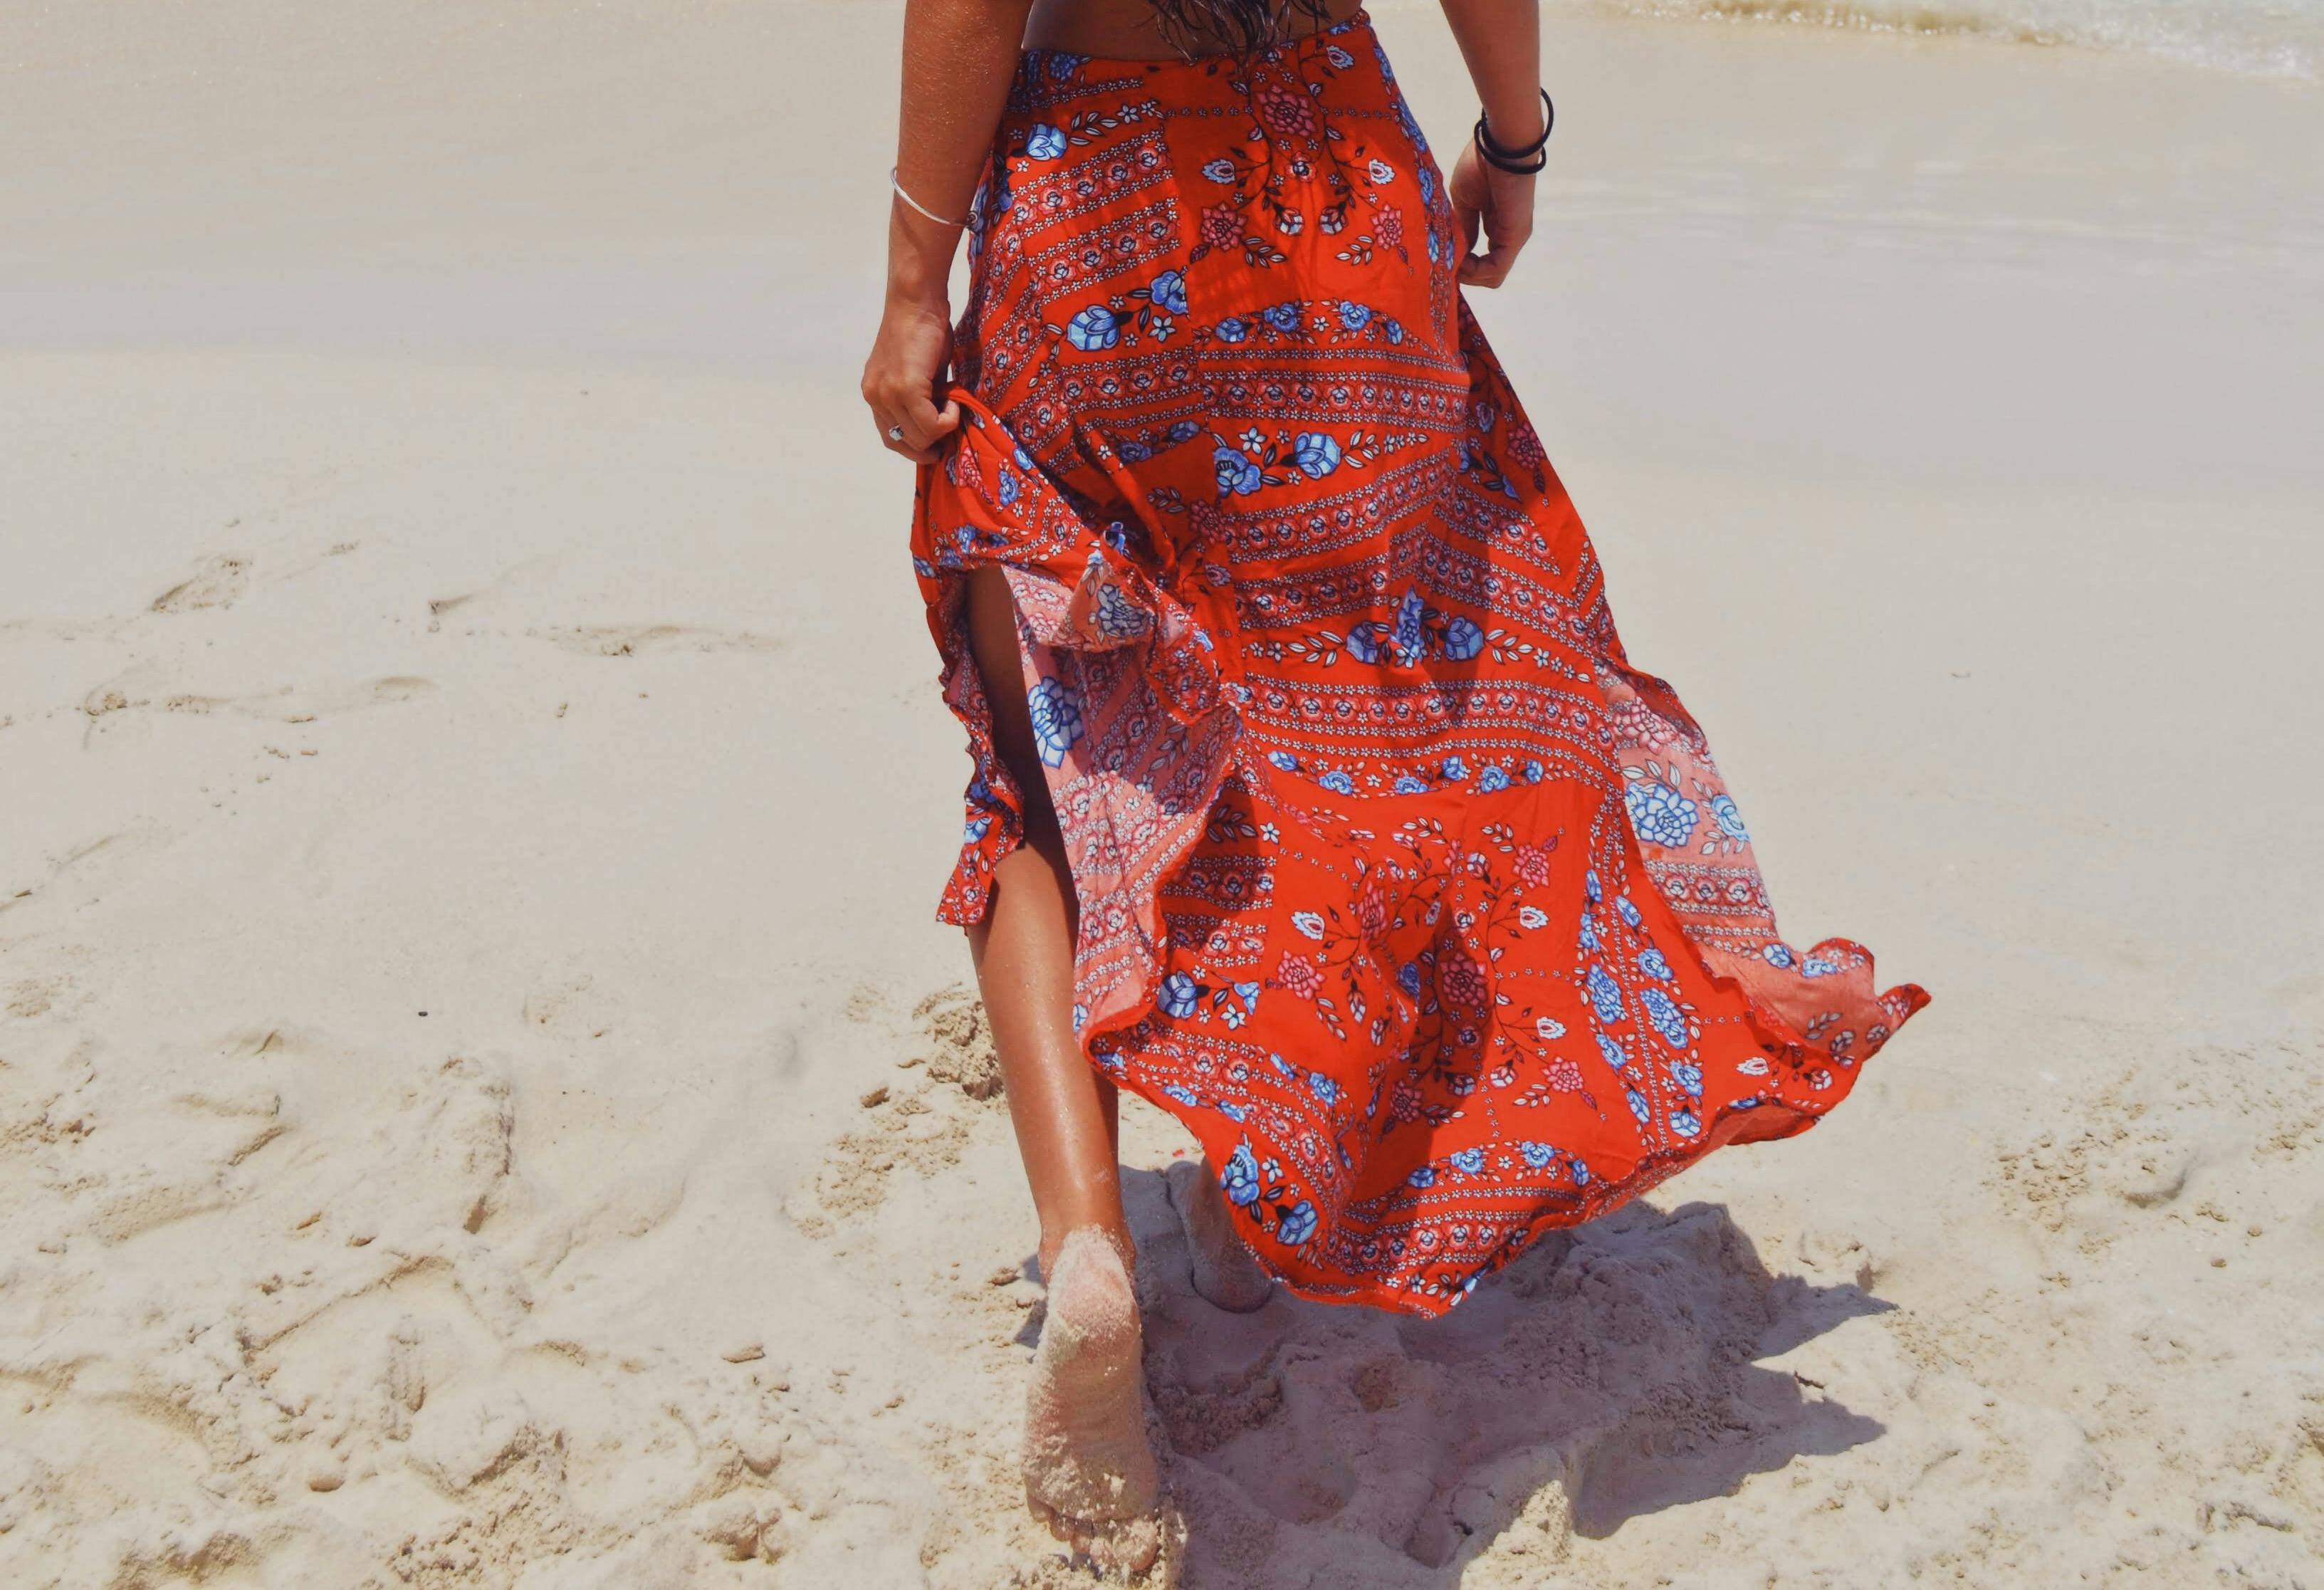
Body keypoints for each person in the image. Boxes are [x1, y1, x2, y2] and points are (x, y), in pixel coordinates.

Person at [860, 0, 1927, 1571]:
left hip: (1100, 198)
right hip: (1338, 195)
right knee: (1349, 715)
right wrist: (1511, 139)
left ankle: (1091, 1242)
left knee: (1058, 754)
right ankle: (1246, 1195)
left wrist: (910, 279)